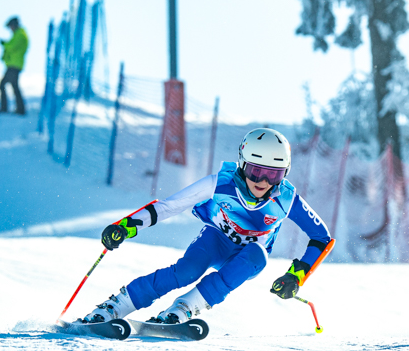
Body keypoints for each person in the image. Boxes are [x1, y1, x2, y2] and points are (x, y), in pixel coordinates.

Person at [80, 128, 333, 325]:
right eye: (256, 171)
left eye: (274, 174)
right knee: (187, 271)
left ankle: (183, 309)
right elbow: (170, 206)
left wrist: (296, 275)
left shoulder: (287, 199)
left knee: (257, 255)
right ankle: (115, 307)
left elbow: (322, 237)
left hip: (248, 258)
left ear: (284, 173)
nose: (263, 181)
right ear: (242, 164)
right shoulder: (219, 184)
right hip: (215, 240)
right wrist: (126, 226)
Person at [0, 16, 29, 115]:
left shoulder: (20, 35)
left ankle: (7, 108)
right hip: (13, 64)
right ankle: (20, 109)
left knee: (3, 85)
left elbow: (12, 47)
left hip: (14, 65)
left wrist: (4, 44)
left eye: (10, 26)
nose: (10, 29)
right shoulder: (17, 34)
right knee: (13, 86)